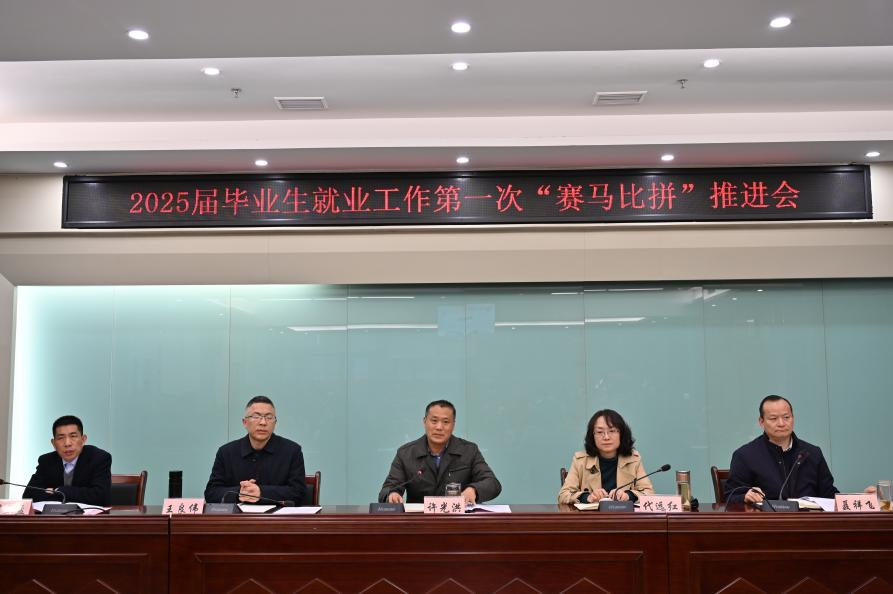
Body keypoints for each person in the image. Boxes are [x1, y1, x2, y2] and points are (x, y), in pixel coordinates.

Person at [378, 399, 501, 504]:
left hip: (457, 520)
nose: (439, 427)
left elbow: (492, 483)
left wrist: (473, 490)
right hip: (420, 521)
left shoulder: (469, 451)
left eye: (446, 422)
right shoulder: (406, 453)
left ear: (453, 425)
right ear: (425, 422)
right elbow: (388, 488)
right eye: (434, 421)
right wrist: (392, 494)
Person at [724, 395, 838, 505]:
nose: (781, 423)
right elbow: (730, 497)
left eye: (786, 417)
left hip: (808, 517)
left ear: (793, 418)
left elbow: (829, 494)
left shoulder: (812, 453)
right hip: (767, 517)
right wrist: (745, 496)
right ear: (761, 422)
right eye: (773, 418)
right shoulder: (745, 455)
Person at [204, 395, 306, 504]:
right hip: (238, 515)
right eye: (256, 416)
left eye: (269, 417)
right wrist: (240, 493)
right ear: (245, 422)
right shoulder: (226, 453)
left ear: (275, 423)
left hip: (276, 515)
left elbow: (299, 492)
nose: (263, 422)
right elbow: (211, 493)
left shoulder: (292, 451)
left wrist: (261, 492)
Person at [558, 409, 655, 504]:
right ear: (592, 436)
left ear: (621, 434)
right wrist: (587, 497)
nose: (606, 437)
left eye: (612, 431)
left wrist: (628, 496)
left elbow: (649, 493)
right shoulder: (580, 461)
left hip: (623, 514)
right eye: (600, 432)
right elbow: (563, 495)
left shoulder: (633, 459)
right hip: (591, 514)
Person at [27, 415, 112, 506]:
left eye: (73, 436)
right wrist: (81, 495)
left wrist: (59, 491)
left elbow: (100, 497)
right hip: (55, 515)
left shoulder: (99, 458)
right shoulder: (46, 461)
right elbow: (29, 495)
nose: (67, 443)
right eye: (61, 438)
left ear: (83, 439)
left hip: (89, 515)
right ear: (53, 443)